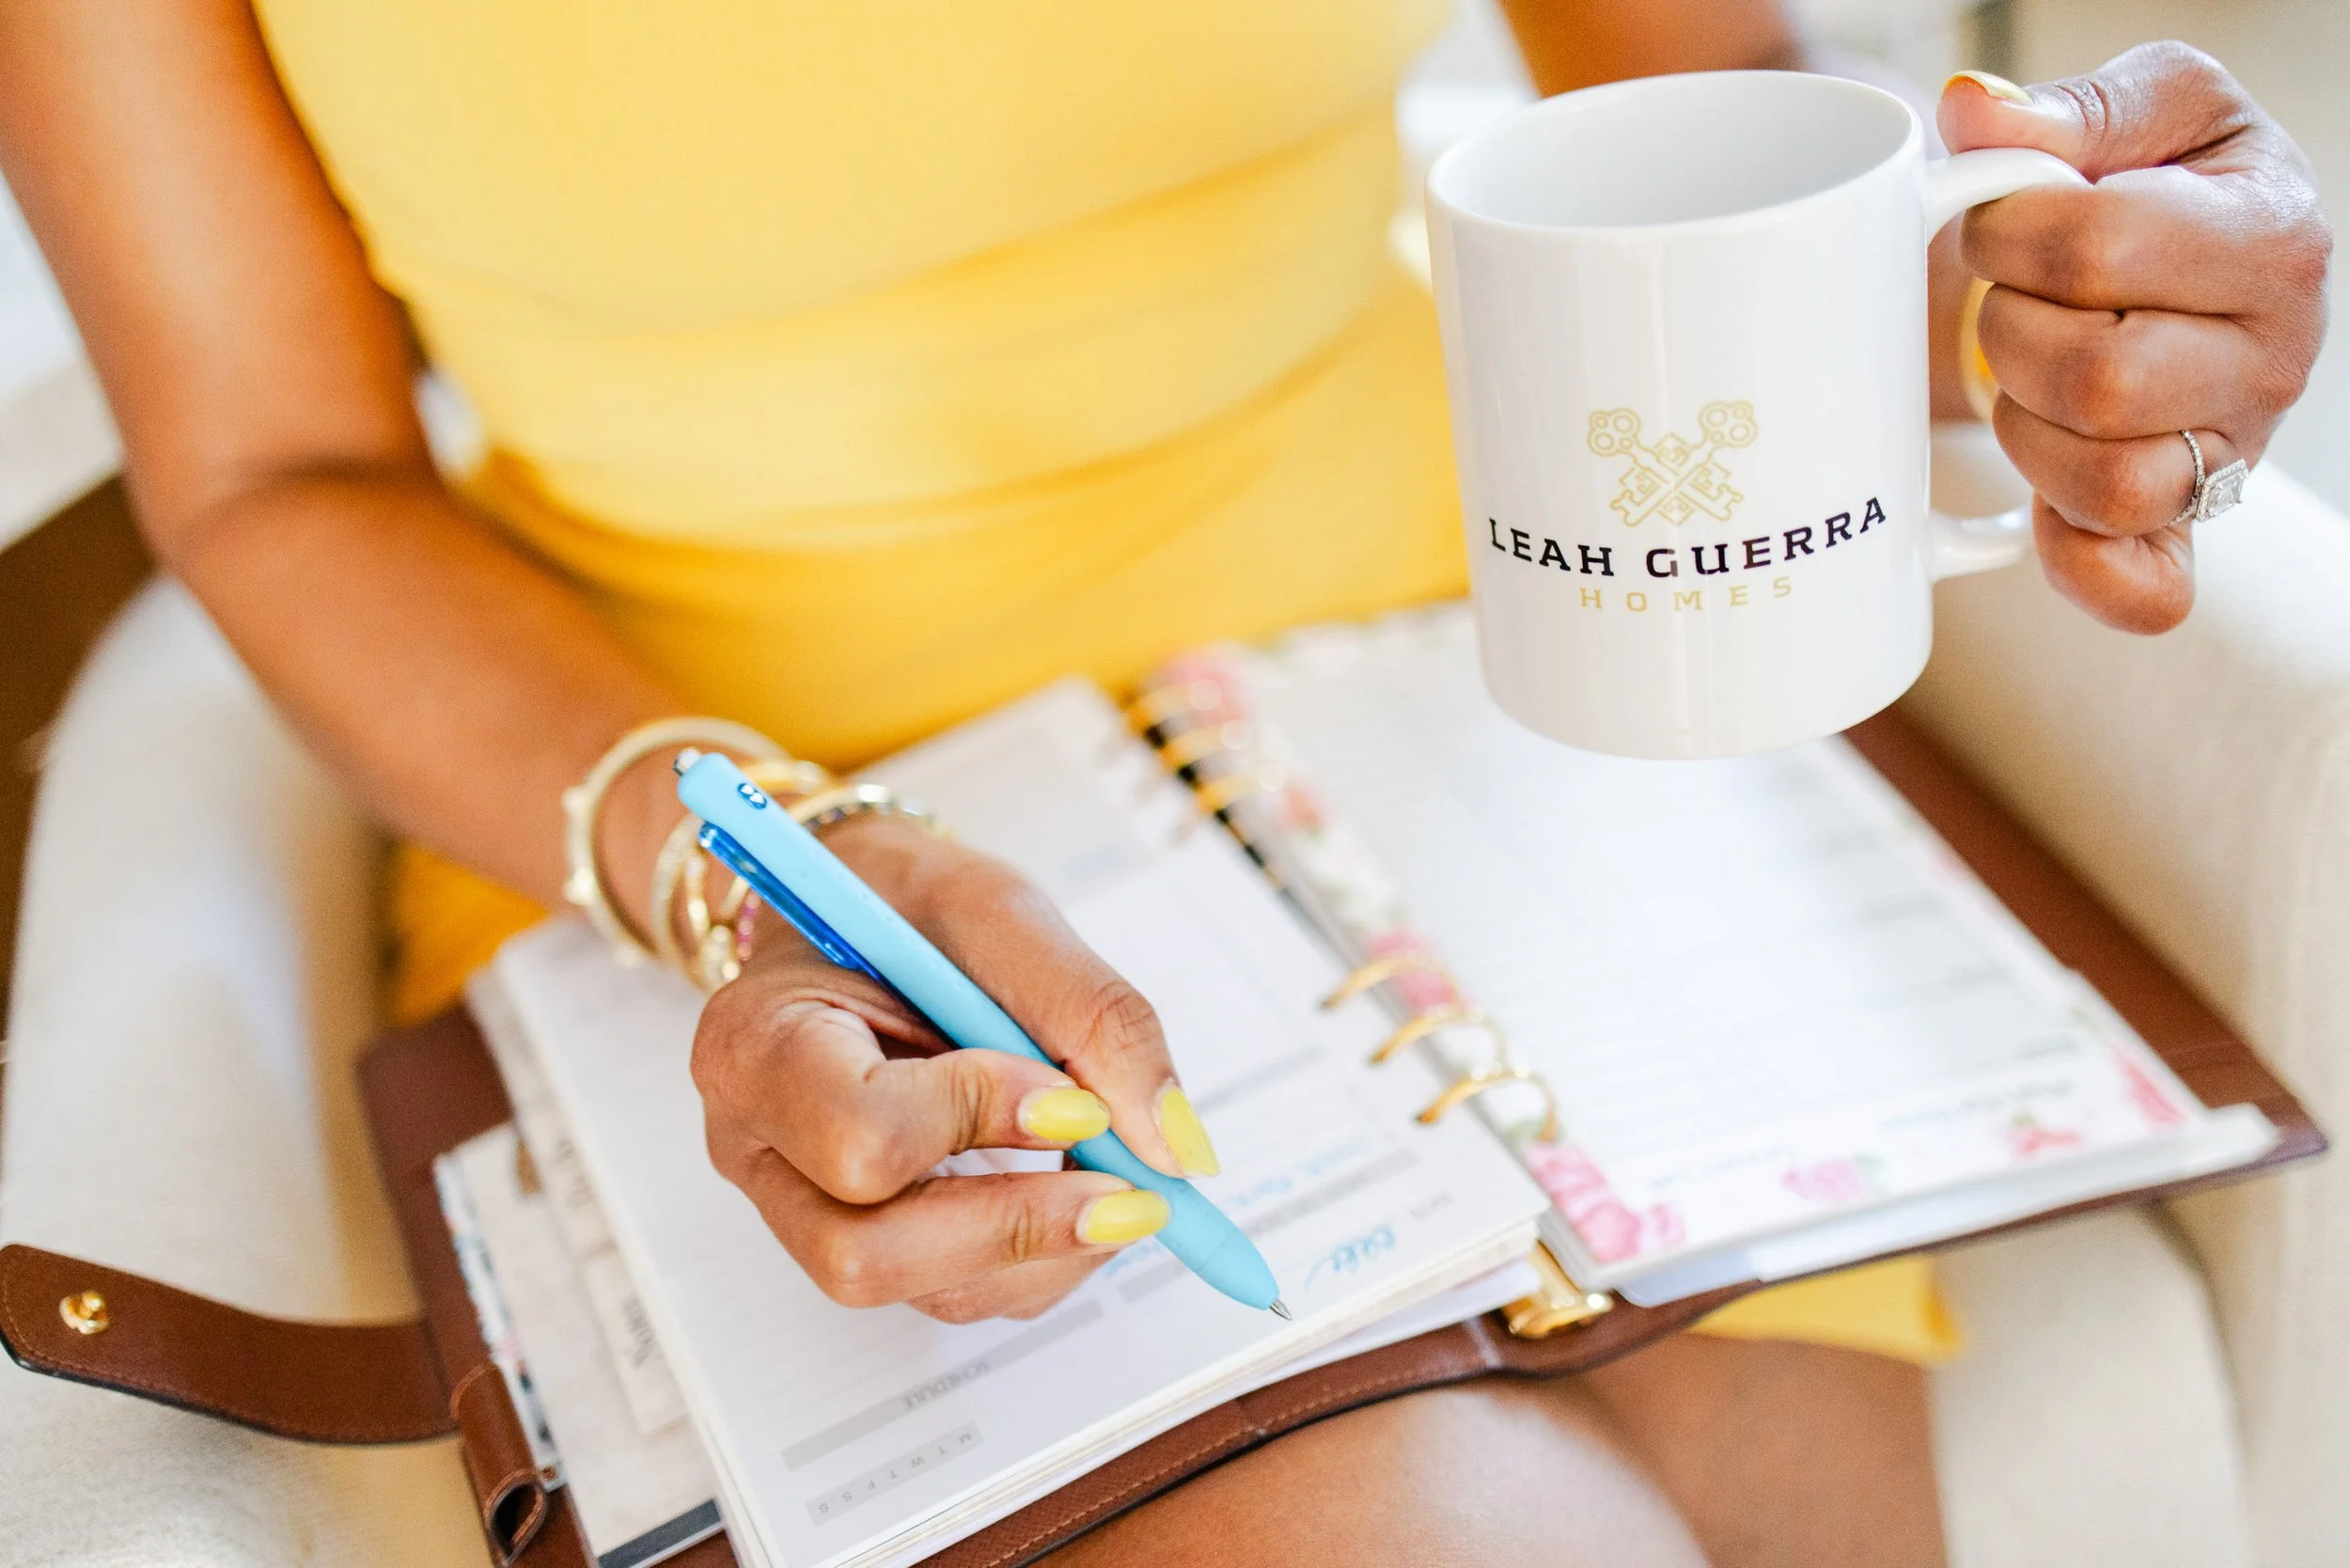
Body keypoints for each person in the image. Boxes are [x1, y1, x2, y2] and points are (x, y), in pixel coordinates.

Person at [0, 2, 2326, 1563]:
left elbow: (1703, 129)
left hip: (1500, 742)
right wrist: (742, 867)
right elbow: (282, 466)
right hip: (725, 849)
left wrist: (2085, 283)